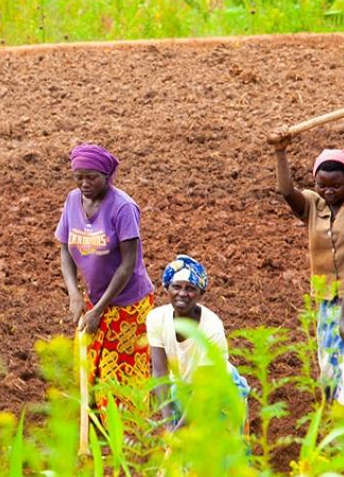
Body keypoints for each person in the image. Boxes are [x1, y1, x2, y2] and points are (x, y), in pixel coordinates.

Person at [55, 144, 154, 409]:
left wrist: (99, 309)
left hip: (127, 303)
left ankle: (127, 433)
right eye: (79, 176)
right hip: (94, 298)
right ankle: (94, 424)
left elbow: (128, 264)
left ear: (107, 177)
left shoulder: (123, 208)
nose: (84, 183)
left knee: (120, 372)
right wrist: (75, 296)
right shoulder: (73, 200)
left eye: (92, 177)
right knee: (88, 362)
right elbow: (65, 248)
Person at [270, 131, 344, 405]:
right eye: (322, 184)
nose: (329, 191)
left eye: (336, 185)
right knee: (329, 366)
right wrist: (280, 151)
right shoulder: (313, 206)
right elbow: (286, 191)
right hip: (327, 299)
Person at [147, 255, 250, 431]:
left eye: (190, 288)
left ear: (201, 294)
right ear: (167, 288)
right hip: (182, 389)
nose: (182, 293)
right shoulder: (156, 319)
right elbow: (160, 372)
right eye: (176, 287)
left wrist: (179, 430)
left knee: (221, 453)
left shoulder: (211, 328)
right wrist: (169, 424)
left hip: (219, 392)